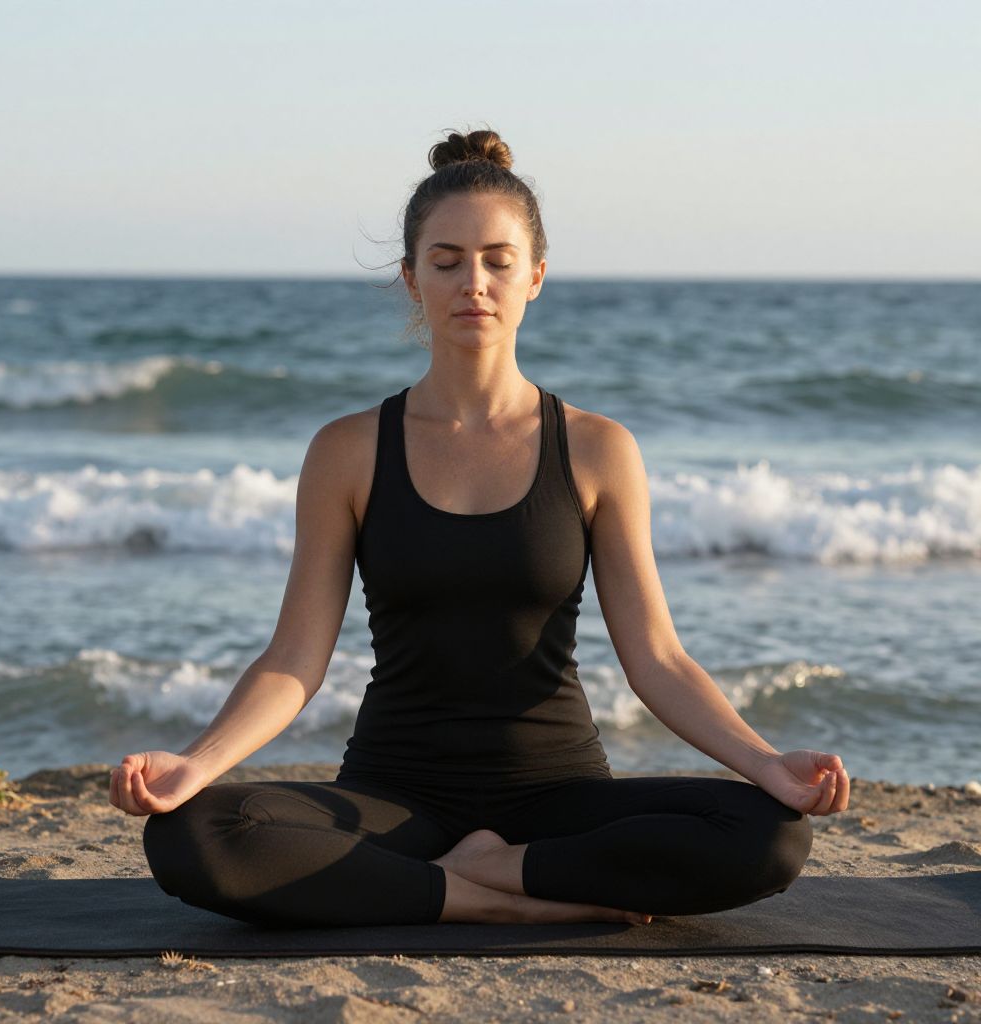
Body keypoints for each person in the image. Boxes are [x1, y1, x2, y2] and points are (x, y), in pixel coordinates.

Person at [110, 126, 849, 929]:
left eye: (499, 259)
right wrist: (198, 762)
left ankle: (487, 871)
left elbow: (659, 660)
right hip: (392, 800)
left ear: (535, 276)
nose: (476, 282)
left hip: (558, 795)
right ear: (410, 278)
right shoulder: (348, 451)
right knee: (193, 832)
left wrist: (767, 762)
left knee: (768, 835)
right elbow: (294, 660)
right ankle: (499, 901)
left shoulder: (599, 450)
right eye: (447, 259)